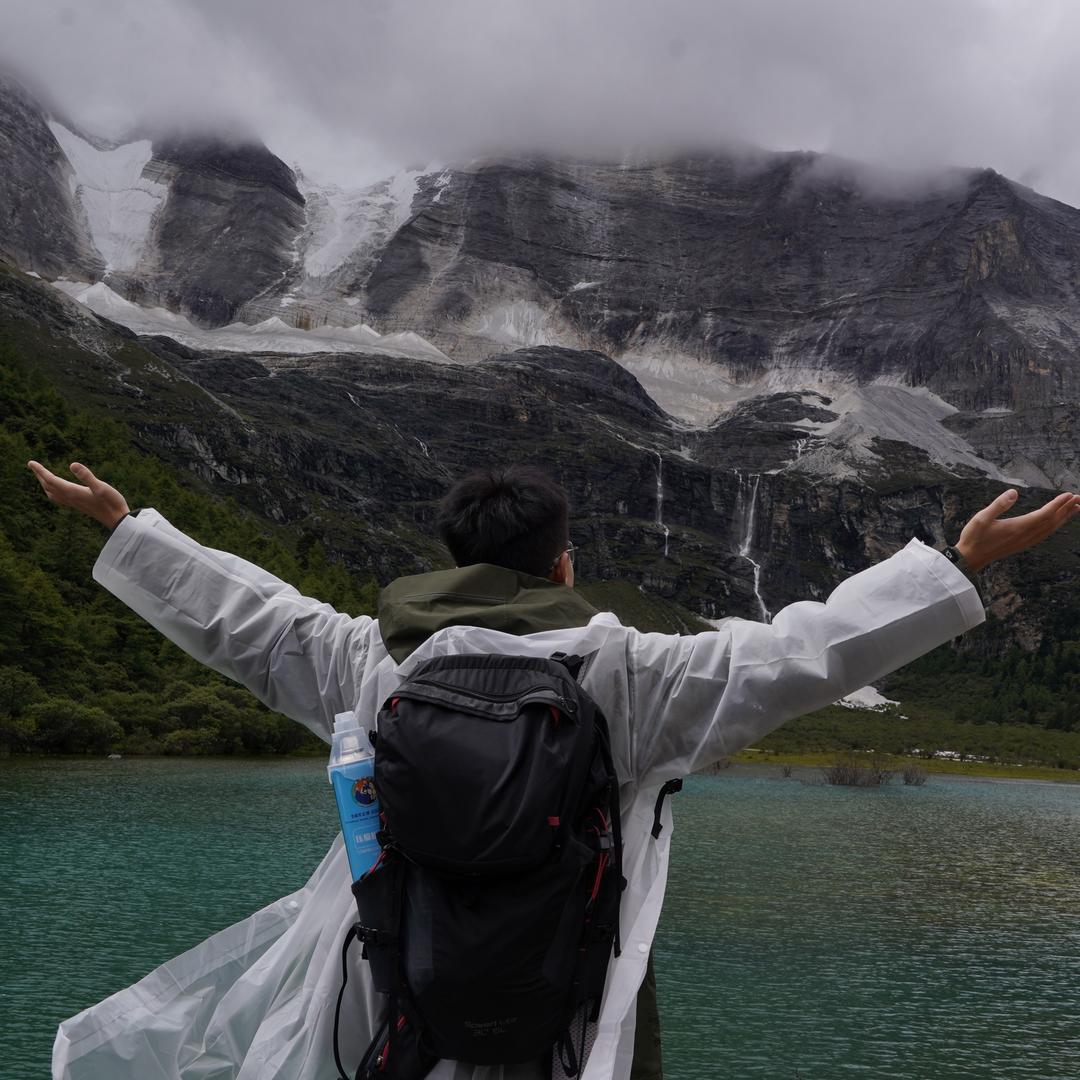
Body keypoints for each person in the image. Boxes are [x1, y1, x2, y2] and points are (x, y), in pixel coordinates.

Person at [27, 458, 1080, 1080]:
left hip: (401, 986)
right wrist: (959, 564)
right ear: (563, 564)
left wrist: (129, 530)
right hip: (573, 989)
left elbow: (251, 622)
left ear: (453, 564)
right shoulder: (633, 675)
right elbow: (803, 652)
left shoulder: (369, 661)